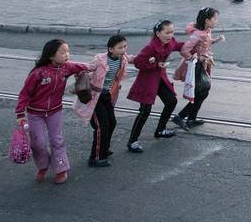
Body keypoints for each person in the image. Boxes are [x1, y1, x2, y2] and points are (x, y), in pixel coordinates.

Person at [15, 39, 91, 184]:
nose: (67, 55)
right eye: (63, 52)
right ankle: (43, 166)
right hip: (35, 113)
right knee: (38, 143)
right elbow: (25, 93)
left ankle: (61, 169)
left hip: (55, 111)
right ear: (51, 55)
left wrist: (94, 67)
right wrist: (20, 113)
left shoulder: (66, 68)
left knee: (57, 140)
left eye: (68, 51)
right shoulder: (38, 73)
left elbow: (84, 66)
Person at [126, 20, 184, 152]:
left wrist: (194, 44)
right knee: (144, 111)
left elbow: (178, 45)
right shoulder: (151, 47)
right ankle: (132, 141)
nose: (170, 35)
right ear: (158, 33)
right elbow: (138, 62)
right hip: (147, 81)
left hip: (160, 79)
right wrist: (155, 65)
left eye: (172, 32)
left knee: (171, 101)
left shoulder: (170, 42)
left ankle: (160, 129)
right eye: (167, 32)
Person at [75, 34, 130, 168]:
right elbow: (88, 67)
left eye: (125, 46)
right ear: (111, 49)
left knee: (112, 122)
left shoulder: (123, 58)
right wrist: (70, 68)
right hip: (95, 96)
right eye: (120, 47)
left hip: (107, 96)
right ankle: (96, 157)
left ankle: (103, 148)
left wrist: (151, 59)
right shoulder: (100, 59)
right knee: (101, 127)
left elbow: (136, 58)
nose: (123, 49)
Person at [173, 8, 226, 130]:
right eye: (215, 19)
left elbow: (206, 44)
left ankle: (191, 118)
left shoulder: (207, 30)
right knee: (200, 92)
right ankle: (180, 117)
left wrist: (216, 40)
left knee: (203, 92)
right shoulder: (198, 34)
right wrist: (194, 58)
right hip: (197, 66)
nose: (217, 21)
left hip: (204, 64)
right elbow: (184, 49)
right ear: (207, 20)